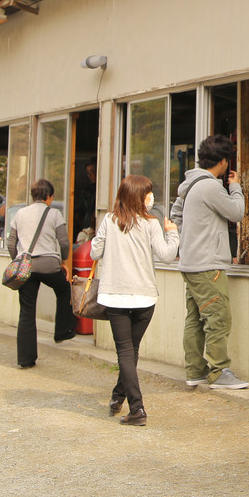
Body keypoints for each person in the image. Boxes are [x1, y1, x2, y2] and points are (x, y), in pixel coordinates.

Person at [90, 175, 180, 426]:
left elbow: (95, 252)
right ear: (139, 197)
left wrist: (102, 237)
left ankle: (134, 407)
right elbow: (167, 255)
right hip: (144, 297)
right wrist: (173, 233)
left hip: (116, 297)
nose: (151, 197)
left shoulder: (109, 220)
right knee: (131, 352)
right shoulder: (151, 224)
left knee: (126, 353)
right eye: (148, 193)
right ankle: (123, 400)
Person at [170, 135, 248, 389]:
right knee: (218, 318)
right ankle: (219, 371)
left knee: (195, 318)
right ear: (224, 161)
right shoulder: (211, 186)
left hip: (191, 263)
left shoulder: (191, 184)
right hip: (208, 264)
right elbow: (236, 212)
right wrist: (235, 187)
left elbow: (175, 214)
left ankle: (195, 370)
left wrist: (187, 240)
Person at [5, 179, 75, 368]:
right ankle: (62, 331)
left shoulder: (19, 214)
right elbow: (64, 242)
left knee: (26, 312)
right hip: (49, 265)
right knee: (63, 289)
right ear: (49, 197)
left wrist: (18, 261)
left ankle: (25, 360)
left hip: (26, 267)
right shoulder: (54, 214)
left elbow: (11, 243)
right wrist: (64, 261)